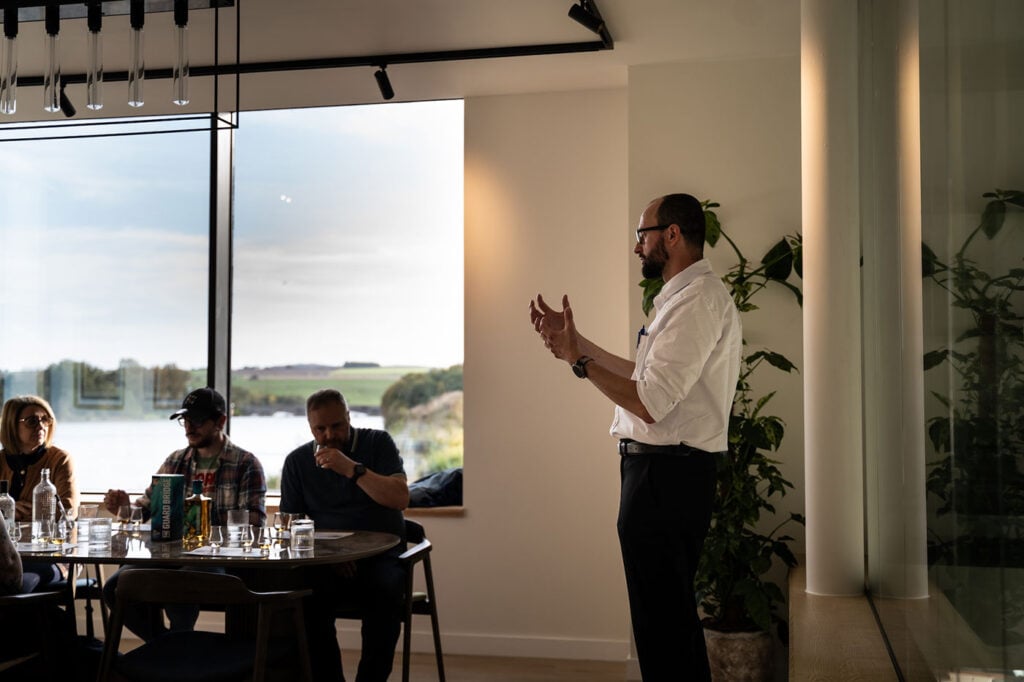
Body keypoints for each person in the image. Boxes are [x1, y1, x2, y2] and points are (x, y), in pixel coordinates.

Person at [529, 193, 742, 681]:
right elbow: (643, 378)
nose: (636, 248)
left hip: (666, 478)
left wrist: (578, 363)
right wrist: (576, 344)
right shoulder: (683, 299)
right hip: (661, 474)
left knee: (663, 627)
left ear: (671, 234)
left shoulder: (699, 301)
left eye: (640, 235)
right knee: (665, 624)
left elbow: (648, 403)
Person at [102, 387, 267, 639]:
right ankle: (166, 645)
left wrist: (197, 515)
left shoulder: (246, 464)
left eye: (198, 420)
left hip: (218, 558)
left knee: (179, 582)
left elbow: (255, 521)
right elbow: (145, 512)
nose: (189, 427)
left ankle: (176, 646)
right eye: (185, 420)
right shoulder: (175, 461)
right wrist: (124, 508)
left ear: (220, 421)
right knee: (114, 587)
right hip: (167, 555)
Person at [280, 388, 409, 682]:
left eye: (336, 425)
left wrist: (351, 469)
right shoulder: (297, 462)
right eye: (320, 429)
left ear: (349, 418)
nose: (329, 435)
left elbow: (400, 498)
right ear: (310, 428)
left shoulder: (378, 443)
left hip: (380, 556)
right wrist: (328, 558)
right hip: (325, 560)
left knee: (385, 592)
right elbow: (292, 525)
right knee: (301, 598)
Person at [0, 395, 79, 589]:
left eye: (46, 419)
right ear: (11, 425)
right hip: (6, 557)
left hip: (54, 556)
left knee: (19, 585)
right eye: (32, 421)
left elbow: (66, 511)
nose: (41, 426)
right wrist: (35, 510)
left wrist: (11, 511)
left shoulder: (60, 459)